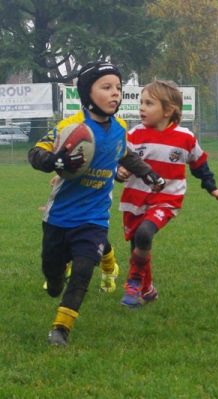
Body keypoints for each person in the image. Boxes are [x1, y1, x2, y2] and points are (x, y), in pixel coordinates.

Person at [29, 61, 166, 346]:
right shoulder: (71, 127)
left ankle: (61, 329)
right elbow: (36, 153)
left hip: (94, 219)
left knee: (81, 270)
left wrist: (148, 173)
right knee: (53, 275)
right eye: (106, 87)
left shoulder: (119, 128)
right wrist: (54, 161)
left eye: (118, 87)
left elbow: (124, 154)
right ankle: (54, 282)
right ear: (87, 93)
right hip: (58, 218)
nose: (115, 93)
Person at [118, 80, 218, 308]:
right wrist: (120, 171)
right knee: (137, 244)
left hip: (166, 200)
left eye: (149, 103)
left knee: (145, 234)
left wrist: (212, 187)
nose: (141, 108)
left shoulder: (185, 138)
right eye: (141, 102)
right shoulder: (133, 136)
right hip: (135, 200)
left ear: (168, 111)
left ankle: (134, 281)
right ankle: (147, 290)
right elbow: (118, 161)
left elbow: (200, 165)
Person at [40, 175, 121, 293]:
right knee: (64, 229)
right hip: (72, 188)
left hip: (96, 190)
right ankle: (60, 270)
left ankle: (109, 268)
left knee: (92, 235)